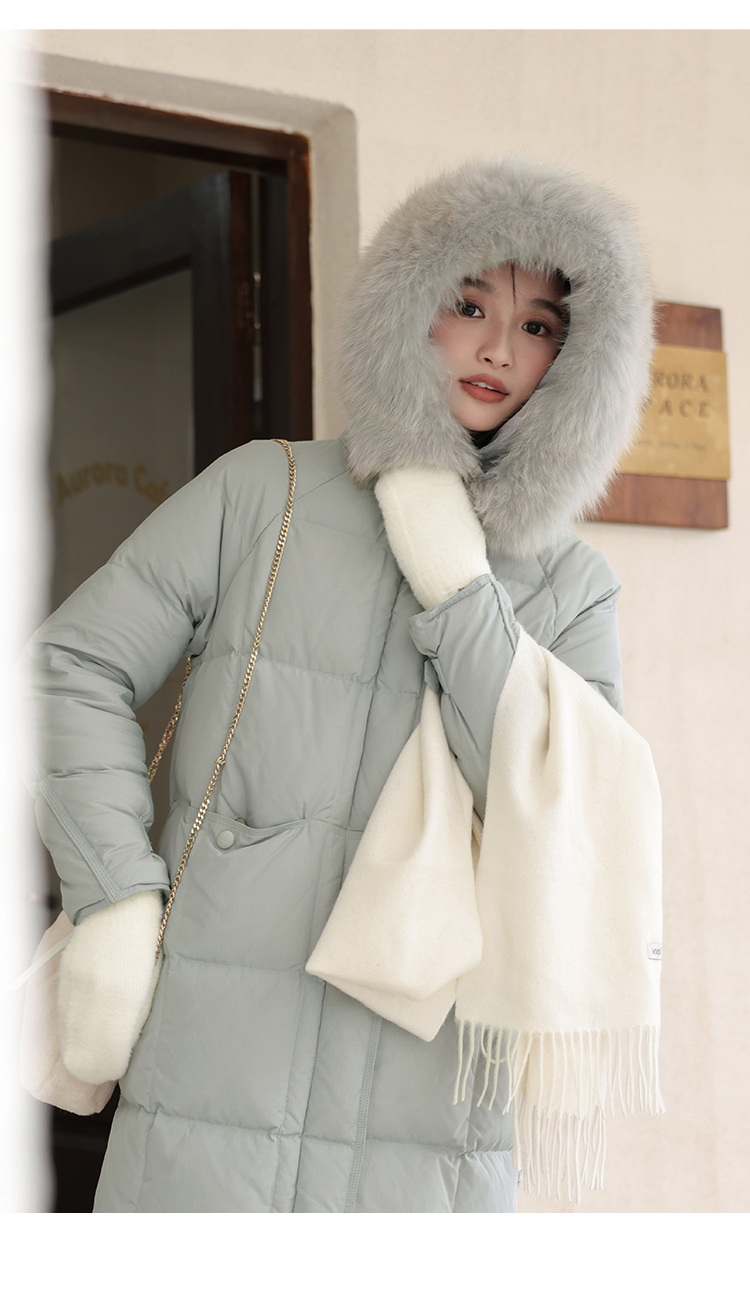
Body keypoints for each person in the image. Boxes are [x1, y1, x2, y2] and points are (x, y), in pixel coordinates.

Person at [28, 156, 653, 1213]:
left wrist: (459, 589)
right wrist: (115, 897)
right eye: (469, 305)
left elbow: (565, 812)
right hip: (213, 1070)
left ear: (579, 359)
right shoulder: (261, 494)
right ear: (408, 306)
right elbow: (67, 667)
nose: (499, 349)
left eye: (540, 325)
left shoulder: (571, 586)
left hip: (432, 1112)